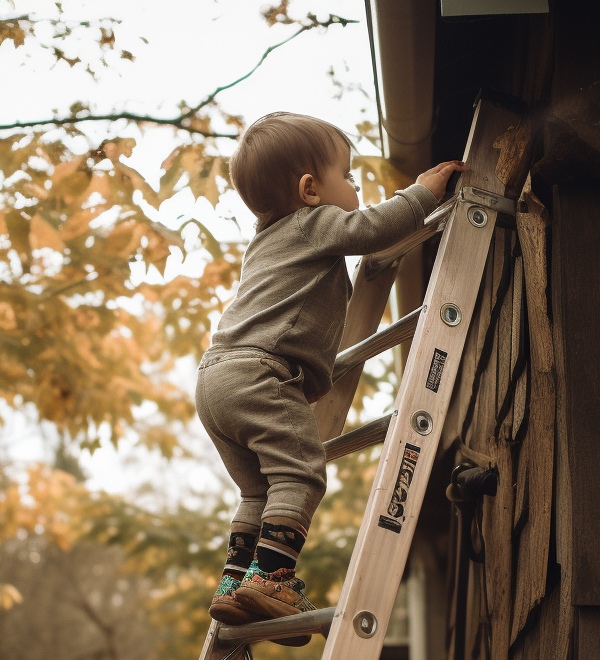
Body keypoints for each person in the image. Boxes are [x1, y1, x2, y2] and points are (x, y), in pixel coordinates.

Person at [196, 111, 464, 629]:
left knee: (258, 491)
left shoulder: (266, 241)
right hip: (259, 373)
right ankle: (271, 578)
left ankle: (236, 582)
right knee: (300, 473)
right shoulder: (311, 223)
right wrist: (422, 193)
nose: (356, 185)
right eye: (347, 175)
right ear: (310, 189)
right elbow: (373, 228)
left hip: (215, 381)